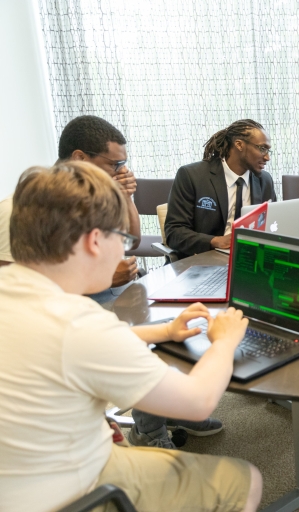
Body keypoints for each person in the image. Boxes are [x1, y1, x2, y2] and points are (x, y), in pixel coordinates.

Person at [0, 161, 262, 512]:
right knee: (245, 480)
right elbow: (198, 400)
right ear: (95, 241)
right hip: (73, 494)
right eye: (122, 239)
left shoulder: (18, 293)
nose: (124, 252)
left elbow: (75, 347)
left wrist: (165, 330)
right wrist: (226, 340)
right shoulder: (79, 323)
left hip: (19, 478)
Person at [0, 116, 141, 293]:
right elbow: (12, 290)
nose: (123, 171)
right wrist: (97, 280)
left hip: (107, 294)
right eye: (115, 164)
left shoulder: (94, 199)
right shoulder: (14, 210)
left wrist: (125, 196)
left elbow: (131, 241)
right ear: (80, 158)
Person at [165, 119, 277, 259]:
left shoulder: (264, 181)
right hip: (202, 262)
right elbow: (174, 232)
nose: (267, 157)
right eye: (262, 148)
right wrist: (215, 241)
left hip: (248, 262)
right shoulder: (192, 176)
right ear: (239, 145)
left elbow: (272, 226)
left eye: (268, 150)